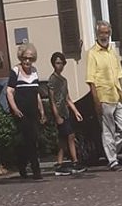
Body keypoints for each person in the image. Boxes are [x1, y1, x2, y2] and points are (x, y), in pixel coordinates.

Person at [86, 20, 122, 170]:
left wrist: (121, 92)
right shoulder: (92, 53)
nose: (104, 36)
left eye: (106, 33)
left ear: (110, 33)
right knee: (108, 130)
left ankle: (109, 151)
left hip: (117, 94)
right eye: (101, 33)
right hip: (103, 96)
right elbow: (91, 80)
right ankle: (112, 160)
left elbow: (119, 75)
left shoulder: (112, 51)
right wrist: (96, 101)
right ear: (97, 34)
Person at [6, 44, 45, 181]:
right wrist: (15, 109)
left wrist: (42, 110)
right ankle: (34, 170)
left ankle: (26, 165)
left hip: (33, 110)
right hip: (21, 112)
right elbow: (9, 92)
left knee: (33, 139)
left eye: (30, 58)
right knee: (28, 139)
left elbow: (36, 93)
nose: (27, 61)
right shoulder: (15, 71)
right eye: (25, 58)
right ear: (21, 58)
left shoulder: (34, 71)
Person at [46, 52, 83, 176]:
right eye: (57, 63)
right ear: (53, 64)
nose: (59, 66)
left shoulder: (64, 80)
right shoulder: (52, 79)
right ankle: (75, 161)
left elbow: (67, 98)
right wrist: (56, 115)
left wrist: (76, 111)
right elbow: (51, 99)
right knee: (70, 135)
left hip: (65, 112)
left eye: (61, 63)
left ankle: (60, 163)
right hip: (59, 112)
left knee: (63, 139)